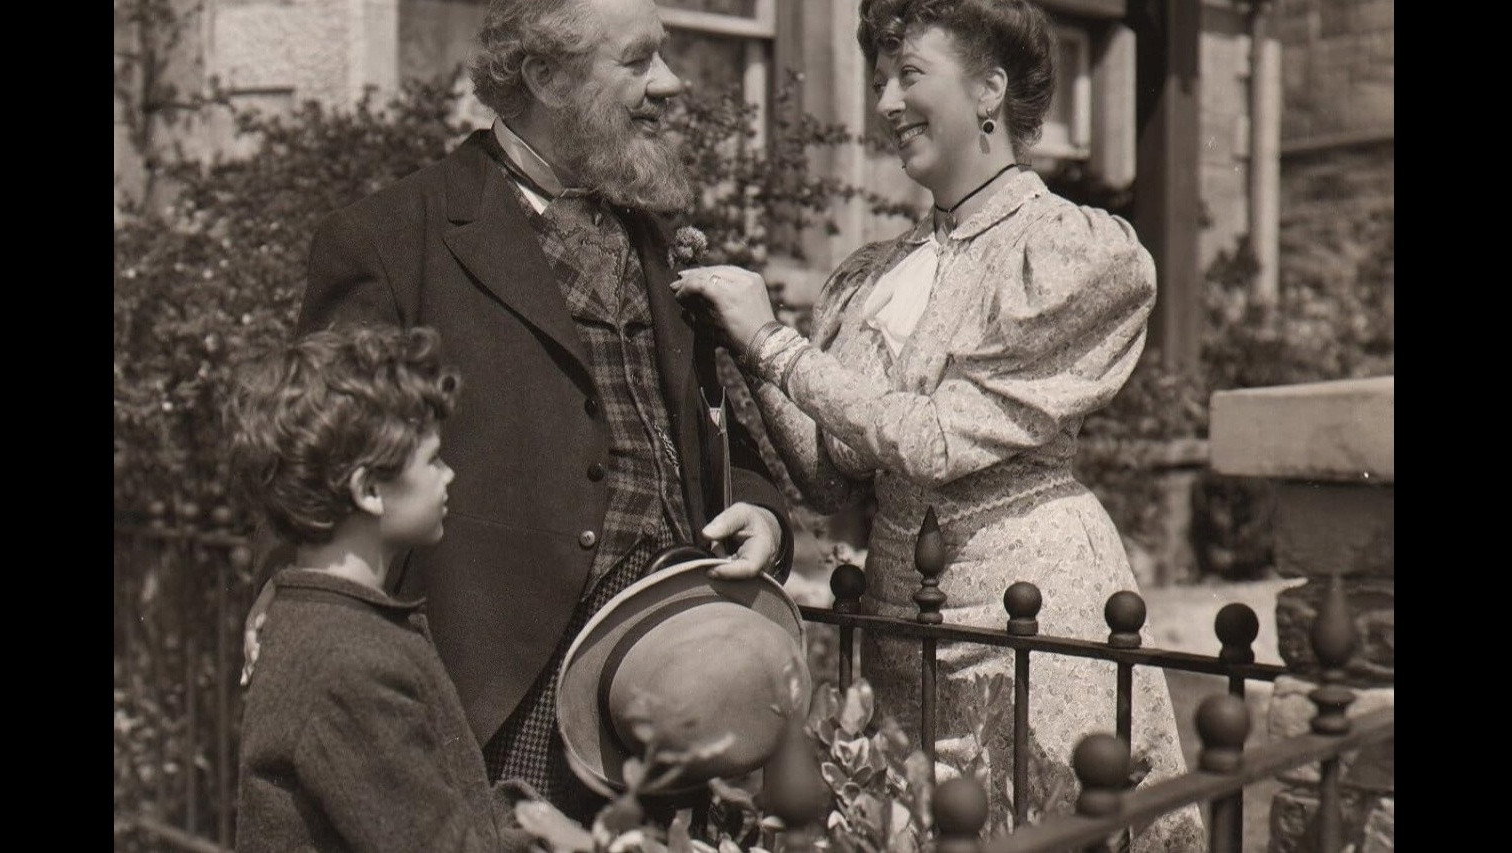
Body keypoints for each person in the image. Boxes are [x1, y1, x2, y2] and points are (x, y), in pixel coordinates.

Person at [672, 0, 1203, 846]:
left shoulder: (1071, 250)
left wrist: (773, 342)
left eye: (909, 74)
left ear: (990, 89)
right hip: (902, 616)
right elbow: (830, 473)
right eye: (880, 79)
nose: (885, 102)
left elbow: (935, 439)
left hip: (1033, 608)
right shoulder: (875, 275)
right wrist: (739, 342)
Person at [294, 0, 793, 823]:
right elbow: (322, 470)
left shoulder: (653, 231)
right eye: (638, 60)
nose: (672, 84)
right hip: (500, 702)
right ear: (545, 77)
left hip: (677, 675)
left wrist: (762, 507)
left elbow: (705, 426)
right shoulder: (389, 238)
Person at [229, 324, 534, 851]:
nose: (449, 474)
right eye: (433, 459)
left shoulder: (329, 627)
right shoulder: (348, 660)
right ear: (369, 489)